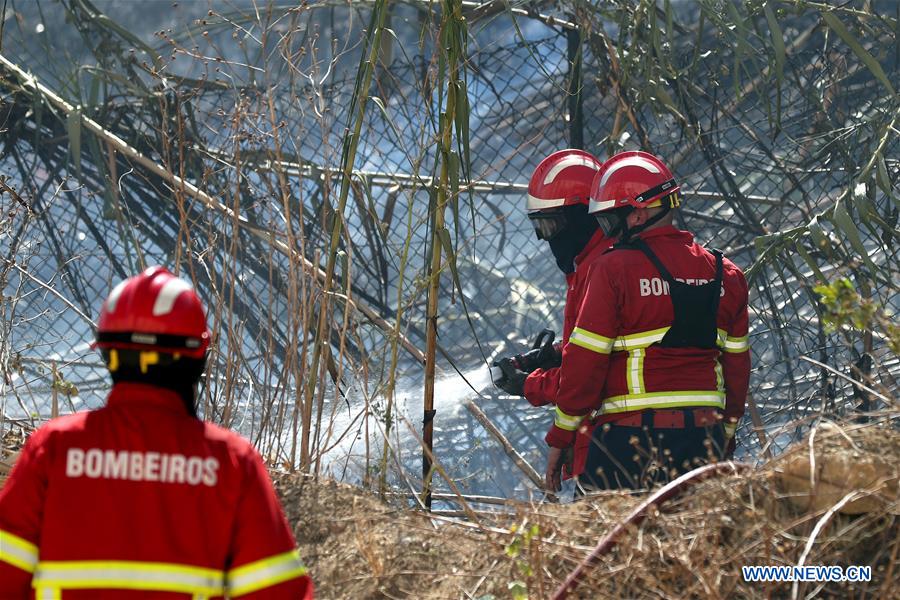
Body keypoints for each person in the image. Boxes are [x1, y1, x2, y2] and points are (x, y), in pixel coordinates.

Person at [0, 267, 313, 599]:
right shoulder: (231, 463)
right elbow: (277, 593)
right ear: (198, 357)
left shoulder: (55, 448)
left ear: (108, 354)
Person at [543, 151, 750, 491]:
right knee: (691, 523)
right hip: (704, 436)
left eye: (610, 220)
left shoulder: (613, 269)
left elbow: (585, 363)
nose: (608, 232)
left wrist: (561, 435)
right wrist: (724, 436)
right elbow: (738, 370)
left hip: (631, 440)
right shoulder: (726, 274)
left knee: (608, 524)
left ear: (638, 214)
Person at [494, 149, 612, 484]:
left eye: (552, 225)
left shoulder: (603, 271)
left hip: (613, 440)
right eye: (540, 227)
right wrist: (556, 355)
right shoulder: (588, 266)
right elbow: (598, 346)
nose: (547, 237)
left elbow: (589, 375)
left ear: (583, 216)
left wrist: (530, 384)